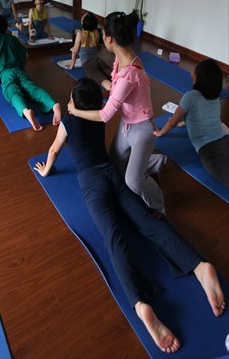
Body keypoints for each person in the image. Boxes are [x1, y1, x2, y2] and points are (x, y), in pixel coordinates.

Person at [34, 78, 225, 353]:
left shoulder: (69, 122)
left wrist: (46, 170)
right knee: (147, 221)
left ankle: (141, 304)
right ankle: (198, 266)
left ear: (74, 104)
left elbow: (53, 150)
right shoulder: (99, 119)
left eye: (71, 100)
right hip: (113, 175)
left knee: (114, 236)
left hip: (92, 183)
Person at [68, 11, 166, 214]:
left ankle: (159, 204)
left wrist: (75, 111)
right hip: (127, 124)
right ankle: (155, 162)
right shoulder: (121, 58)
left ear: (110, 39)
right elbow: (116, 88)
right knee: (114, 164)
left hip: (142, 130)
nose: (101, 36)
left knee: (132, 181)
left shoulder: (129, 72)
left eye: (103, 34)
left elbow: (104, 115)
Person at [0, 15, 61, 130]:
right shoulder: (12, 38)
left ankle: (26, 111)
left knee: (12, 91)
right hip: (18, 70)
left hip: (5, 73)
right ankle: (53, 105)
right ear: (6, 28)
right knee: (32, 88)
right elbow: (26, 55)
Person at [156, 59, 229, 188]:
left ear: (198, 77)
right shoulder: (214, 95)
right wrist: (185, 122)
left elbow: (172, 122)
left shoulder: (190, 97)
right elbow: (203, 114)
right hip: (224, 139)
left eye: (196, 68)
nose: (194, 68)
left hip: (209, 149)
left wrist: (159, 133)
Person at [67, 12, 112, 91]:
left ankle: (114, 90)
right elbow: (97, 46)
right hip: (98, 60)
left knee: (100, 78)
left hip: (87, 63)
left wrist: (71, 66)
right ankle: (123, 82)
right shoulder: (96, 33)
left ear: (83, 23)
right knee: (111, 73)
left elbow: (74, 52)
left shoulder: (80, 34)